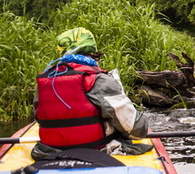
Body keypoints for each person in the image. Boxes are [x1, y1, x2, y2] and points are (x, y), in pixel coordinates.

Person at [31, 28, 151, 160]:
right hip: (97, 151)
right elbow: (137, 130)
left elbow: (39, 118)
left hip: (49, 153)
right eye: (96, 55)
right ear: (90, 54)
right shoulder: (101, 80)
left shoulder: (44, 82)